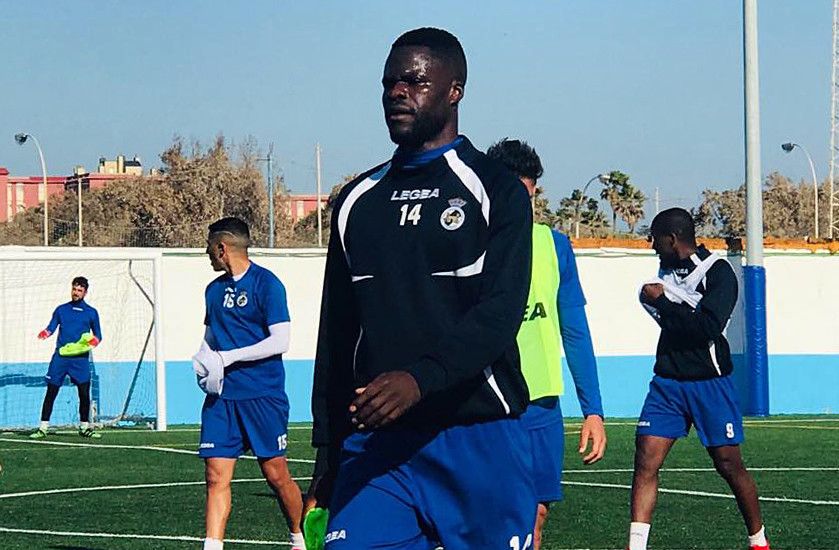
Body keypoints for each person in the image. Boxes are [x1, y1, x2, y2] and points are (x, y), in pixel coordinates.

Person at [309, 27, 536, 549]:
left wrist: (418, 379)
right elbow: (337, 333)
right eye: (389, 83)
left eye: (414, 81)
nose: (396, 93)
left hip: (477, 436)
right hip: (379, 446)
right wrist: (328, 447)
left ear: (454, 90)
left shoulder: (494, 190)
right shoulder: (356, 200)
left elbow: (499, 315)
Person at [487, 138, 607, 550]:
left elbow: (574, 329)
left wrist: (593, 410)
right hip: (484, 406)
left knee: (536, 513)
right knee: (484, 514)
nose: (526, 205)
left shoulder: (554, 245)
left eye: (531, 195)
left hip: (541, 406)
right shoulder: (467, 245)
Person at [629, 208, 769, 550]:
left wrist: (666, 302)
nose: (651, 246)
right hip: (667, 384)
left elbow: (707, 327)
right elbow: (676, 322)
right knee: (646, 457)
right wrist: (670, 306)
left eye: (655, 239)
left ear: (672, 239)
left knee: (728, 464)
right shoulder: (664, 274)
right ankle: (635, 546)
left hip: (710, 383)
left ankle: (759, 541)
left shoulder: (719, 273)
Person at [193, 217, 305, 550]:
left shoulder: (267, 284)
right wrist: (202, 360)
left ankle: (299, 539)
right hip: (222, 399)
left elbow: (280, 341)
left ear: (222, 247)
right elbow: (210, 337)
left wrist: (228, 358)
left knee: (276, 475)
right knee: (215, 476)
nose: (207, 254)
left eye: (209, 247)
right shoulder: (213, 290)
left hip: (263, 395)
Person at [31, 276, 102, 439]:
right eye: (74, 289)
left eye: (79, 290)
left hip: (80, 359)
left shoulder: (91, 312)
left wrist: (91, 342)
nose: (76, 293)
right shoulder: (61, 309)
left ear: (85, 292)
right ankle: (43, 427)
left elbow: (98, 335)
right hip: (61, 358)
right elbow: (51, 327)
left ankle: (84, 427)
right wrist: (45, 333)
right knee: (51, 391)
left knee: (84, 394)